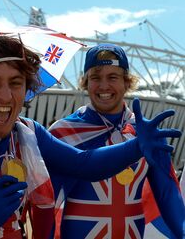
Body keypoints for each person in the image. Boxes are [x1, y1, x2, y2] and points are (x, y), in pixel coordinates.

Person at [0, 33, 181, 239]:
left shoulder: (27, 133)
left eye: (16, 83)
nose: (6, 95)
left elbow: (84, 165)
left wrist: (135, 148)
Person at [49, 44, 184, 238]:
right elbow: (45, 202)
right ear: (85, 83)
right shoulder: (64, 133)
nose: (104, 86)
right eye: (95, 77)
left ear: (127, 82)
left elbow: (167, 193)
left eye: (113, 77)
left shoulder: (146, 133)